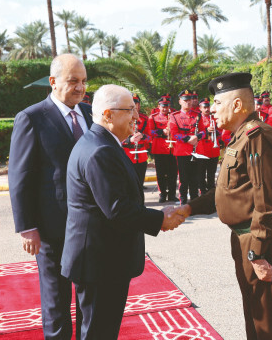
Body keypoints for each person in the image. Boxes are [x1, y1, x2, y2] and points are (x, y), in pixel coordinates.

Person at [61, 85, 184, 339]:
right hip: (100, 264)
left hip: (100, 260)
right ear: (108, 115)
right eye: (130, 111)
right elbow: (117, 210)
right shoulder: (101, 150)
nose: (137, 118)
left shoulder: (99, 142)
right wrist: (161, 218)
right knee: (99, 332)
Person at [177, 73, 272, 340]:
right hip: (242, 237)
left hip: (256, 239)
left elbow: (267, 199)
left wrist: (257, 253)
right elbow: (228, 190)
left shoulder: (256, 136)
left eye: (217, 103)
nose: (211, 109)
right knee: (254, 312)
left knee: (266, 317)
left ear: (237, 105)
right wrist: (189, 208)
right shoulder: (239, 137)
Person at [8, 54, 93, 339]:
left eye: (83, 81)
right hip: (51, 229)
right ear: (53, 82)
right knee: (56, 302)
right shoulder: (32, 117)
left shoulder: (92, 115)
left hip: (91, 227)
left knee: (89, 300)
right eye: (73, 81)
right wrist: (27, 227)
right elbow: (20, 177)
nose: (80, 87)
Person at [168, 89, 203, 204]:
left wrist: (197, 137)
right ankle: (183, 200)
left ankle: (194, 200)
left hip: (196, 150)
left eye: (189, 100)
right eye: (185, 100)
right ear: (180, 102)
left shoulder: (197, 115)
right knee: (183, 178)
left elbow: (203, 131)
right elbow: (174, 133)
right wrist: (189, 139)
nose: (188, 102)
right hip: (182, 151)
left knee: (195, 177)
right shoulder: (174, 116)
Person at [147, 96, 179, 203]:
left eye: (167, 106)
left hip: (172, 149)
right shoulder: (153, 117)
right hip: (159, 148)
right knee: (161, 173)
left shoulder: (174, 116)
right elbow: (150, 132)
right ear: (159, 106)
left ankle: (172, 194)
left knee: (173, 173)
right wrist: (162, 132)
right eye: (163, 106)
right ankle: (162, 194)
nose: (165, 109)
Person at [121, 93, 150, 185]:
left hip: (141, 156)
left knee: (140, 184)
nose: (134, 105)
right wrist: (129, 140)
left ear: (139, 105)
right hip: (127, 155)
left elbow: (150, 137)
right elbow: (116, 139)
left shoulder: (144, 119)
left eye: (136, 103)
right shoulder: (121, 119)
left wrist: (143, 136)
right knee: (128, 184)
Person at [195, 98, 221, 195]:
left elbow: (222, 131)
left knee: (211, 173)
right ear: (200, 108)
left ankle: (211, 191)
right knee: (201, 173)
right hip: (202, 150)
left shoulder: (214, 118)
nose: (207, 109)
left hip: (213, 150)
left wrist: (216, 131)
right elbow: (195, 133)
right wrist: (206, 131)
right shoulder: (198, 119)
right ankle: (202, 191)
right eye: (204, 107)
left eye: (208, 107)